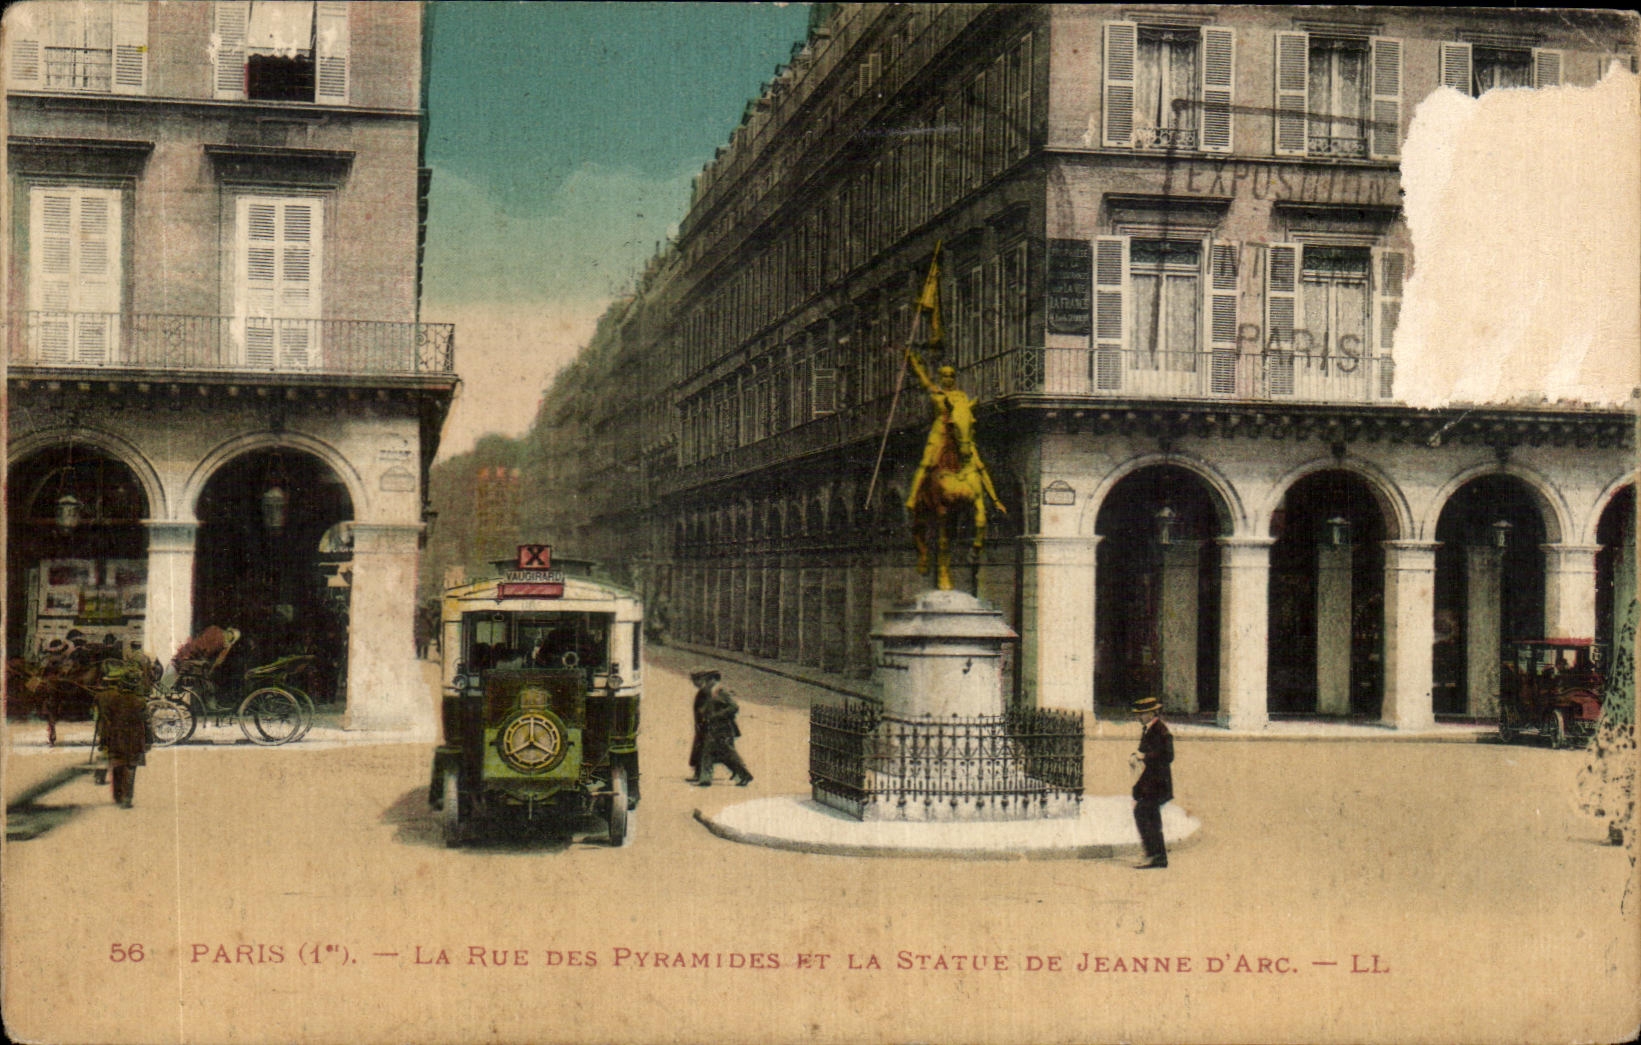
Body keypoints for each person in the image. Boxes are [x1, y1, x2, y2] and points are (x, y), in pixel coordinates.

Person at [1129, 695, 1174, 869]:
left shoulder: (1161, 730)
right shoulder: (1149, 728)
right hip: (1150, 782)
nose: (1138, 717)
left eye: (1141, 714)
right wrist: (1137, 757)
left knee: (1144, 814)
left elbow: (1168, 756)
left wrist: (1145, 756)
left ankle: (1155, 855)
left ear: (1151, 713)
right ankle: (1156, 856)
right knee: (1149, 817)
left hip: (1157, 783)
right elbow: (1144, 751)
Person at [688, 668, 752, 787]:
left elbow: (734, 707)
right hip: (712, 728)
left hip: (723, 729)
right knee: (707, 752)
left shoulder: (721, 691)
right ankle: (705, 779)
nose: (706, 682)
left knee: (728, 755)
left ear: (714, 679)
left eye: (708, 680)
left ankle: (744, 774)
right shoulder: (711, 691)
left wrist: (717, 715)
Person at [97, 671, 151, 808]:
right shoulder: (140, 701)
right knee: (131, 767)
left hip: (116, 737)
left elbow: (106, 721)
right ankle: (127, 797)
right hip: (135, 738)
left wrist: (104, 738)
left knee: (117, 765)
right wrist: (150, 740)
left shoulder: (114, 700)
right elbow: (147, 722)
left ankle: (117, 795)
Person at [158, 625, 240, 693]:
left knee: (176, 664)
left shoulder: (215, 630)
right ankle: (165, 687)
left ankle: (164, 687)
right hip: (195, 656)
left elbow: (200, 641)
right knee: (177, 665)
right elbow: (217, 661)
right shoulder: (224, 643)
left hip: (192, 653)